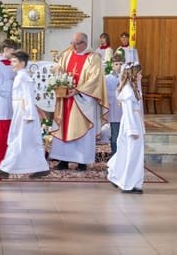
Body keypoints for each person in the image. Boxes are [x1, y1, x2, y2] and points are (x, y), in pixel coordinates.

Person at [50, 32, 109, 171]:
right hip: (66, 99)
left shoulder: (93, 58)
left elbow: (95, 79)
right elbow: (58, 68)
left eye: (77, 44)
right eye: (73, 43)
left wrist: (78, 90)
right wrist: (57, 73)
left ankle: (82, 161)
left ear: (85, 43)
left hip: (83, 100)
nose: (74, 46)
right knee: (64, 128)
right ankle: (63, 160)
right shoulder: (67, 54)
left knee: (82, 129)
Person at [0, 50, 49, 179]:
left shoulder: (23, 77)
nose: (11, 63)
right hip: (21, 111)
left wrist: (29, 114)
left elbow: (28, 97)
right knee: (29, 141)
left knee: (18, 140)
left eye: (14, 61)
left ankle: (5, 169)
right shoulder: (20, 75)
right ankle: (41, 167)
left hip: (24, 113)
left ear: (22, 63)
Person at [107, 63, 145, 193]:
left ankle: (129, 180)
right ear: (133, 74)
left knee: (133, 153)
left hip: (135, 122)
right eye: (139, 73)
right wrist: (132, 130)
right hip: (131, 124)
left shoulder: (133, 88)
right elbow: (128, 112)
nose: (141, 76)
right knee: (131, 153)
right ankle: (127, 183)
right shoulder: (128, 91)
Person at [105, 54, 125, 155]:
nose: (119, 66)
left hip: (124, 111)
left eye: (121, 64)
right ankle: (114, 156)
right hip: (114, 110)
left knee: (124, 136)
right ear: (112, 65)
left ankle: (123, 156)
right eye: (116, 64)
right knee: (115, 136)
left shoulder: (126, 78)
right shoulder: (107, 78)